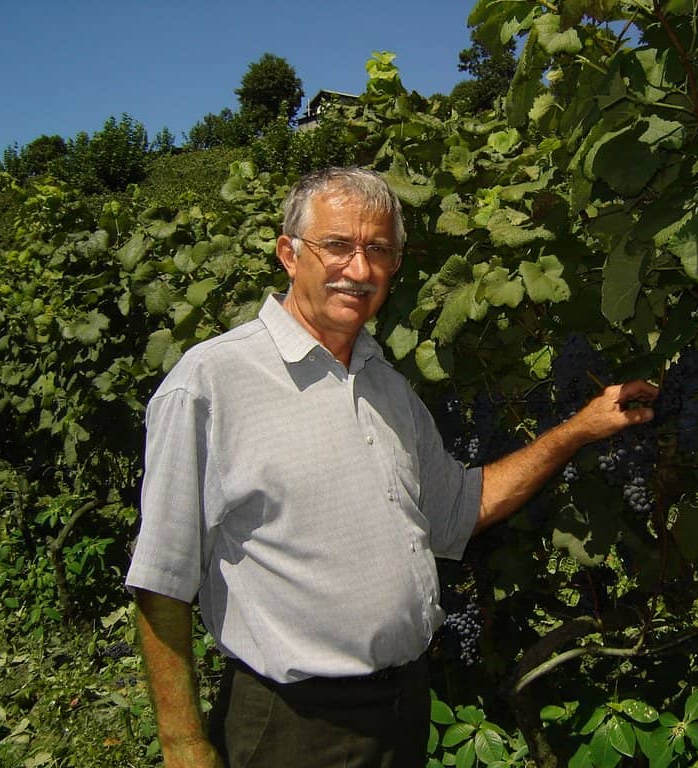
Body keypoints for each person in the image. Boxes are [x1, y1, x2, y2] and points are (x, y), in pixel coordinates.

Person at [126, 166, 658, 768]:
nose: (359, 269)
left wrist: (581, 429)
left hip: (405, 705)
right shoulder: (209, 383)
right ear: (287, 253)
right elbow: (161, 579)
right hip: (293, 726)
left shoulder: (388, 388)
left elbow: (461, 507)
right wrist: (184, 744)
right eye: (336, 245)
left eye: (378, 249)